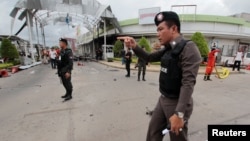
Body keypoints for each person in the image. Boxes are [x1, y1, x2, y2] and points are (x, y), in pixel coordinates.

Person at [118, 11, 201, 141]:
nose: (158, 34)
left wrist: (179, 114)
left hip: (177, 102)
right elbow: (149, 57)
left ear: (173, 29)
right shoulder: (168, 48)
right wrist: (134, 46)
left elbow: (188, 83)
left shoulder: (188, 48)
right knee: (153, 133)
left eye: (161, 29)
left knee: (178, 138)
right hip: (163, 99)